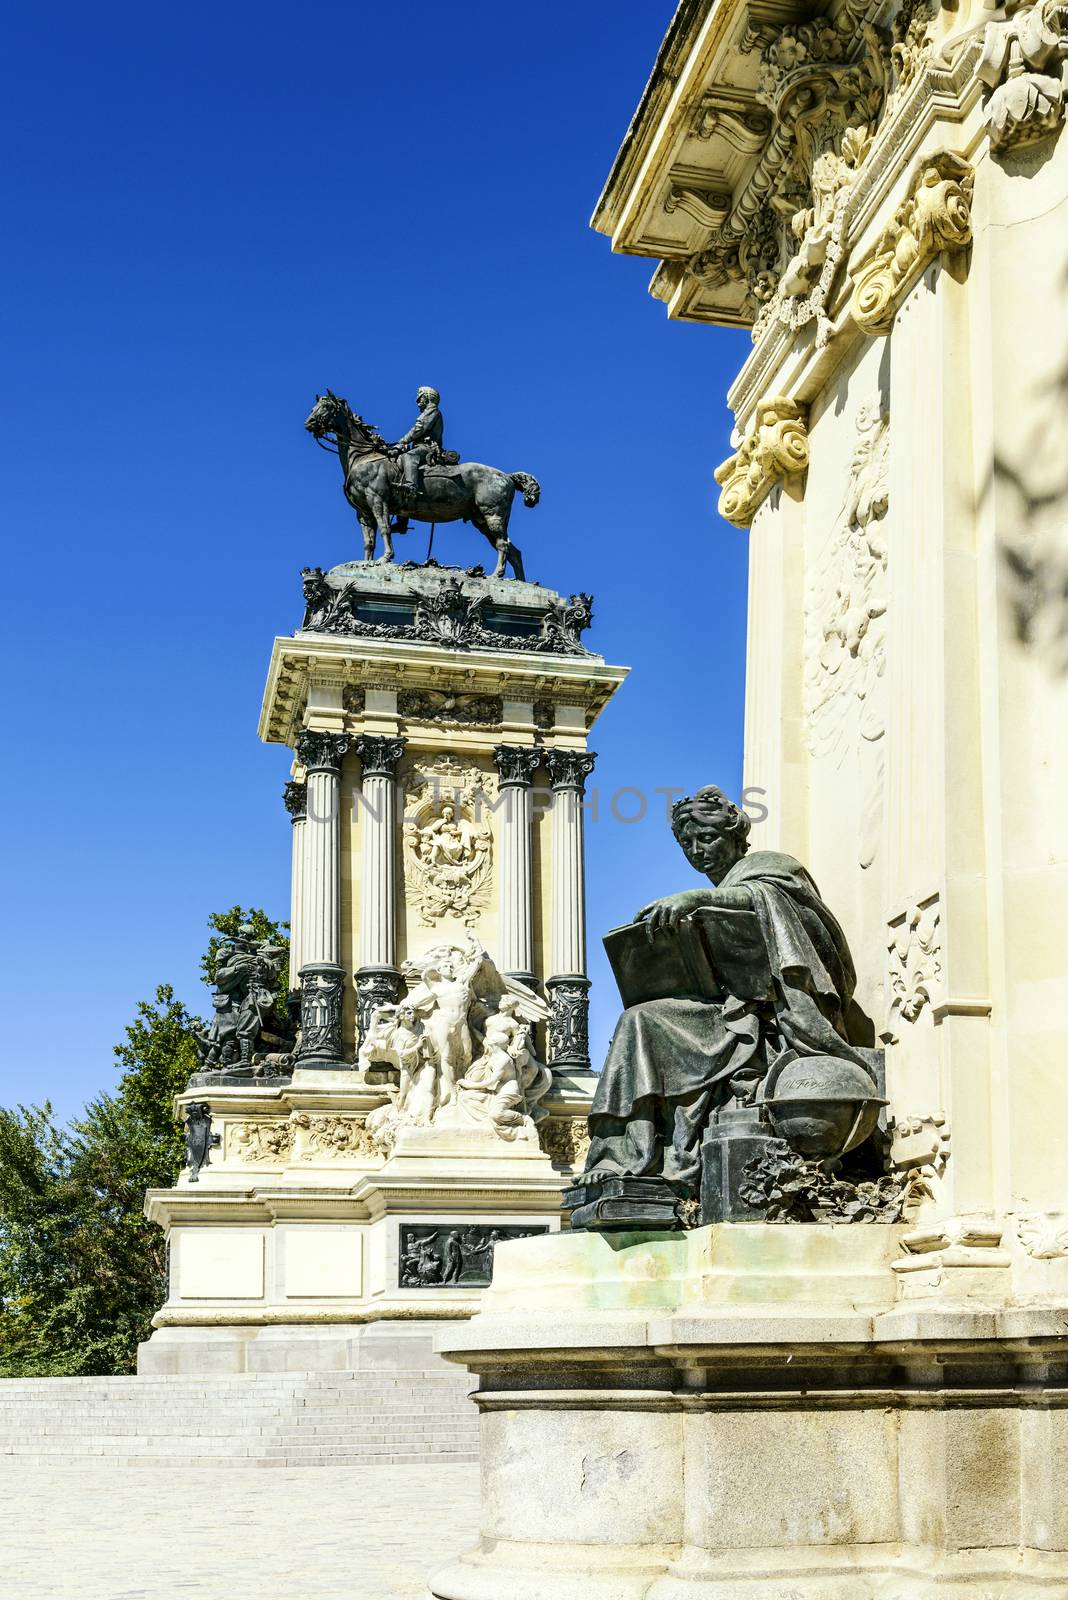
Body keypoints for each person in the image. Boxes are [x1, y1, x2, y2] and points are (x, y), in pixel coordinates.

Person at [583, 786, 877, 1189]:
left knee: (644, 1023)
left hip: (771, 1013)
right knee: (638, 1017)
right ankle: (621, 1156)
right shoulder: (724, 892)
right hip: (725, 1007)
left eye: (707, 837)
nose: (697, 850)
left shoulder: (769, 867)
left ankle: (640, 1160)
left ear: (735, 835)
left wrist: (695, 898)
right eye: (687, 842)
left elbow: (778, 907)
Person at [392, 385, 445, 505]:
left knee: (409, 457)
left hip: (427, 448)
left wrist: (402, 441)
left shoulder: (432, 410)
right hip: (420, 446)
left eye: (420, 398)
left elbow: (418, 429)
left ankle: (411, 487)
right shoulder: (428, 411)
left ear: (427, 397)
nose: (417, 402)